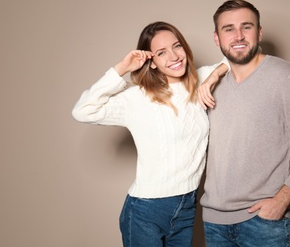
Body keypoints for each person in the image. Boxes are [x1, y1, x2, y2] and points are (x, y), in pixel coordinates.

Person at [72, 21, 228, 246]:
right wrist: (122, 68)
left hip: (187, 207)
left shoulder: (201, 80)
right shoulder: (138, 98)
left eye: (177, 46)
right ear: (151, 62)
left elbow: (246, 57)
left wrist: (216, 75)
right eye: (161, 53)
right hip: (146, 211)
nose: (174, 57)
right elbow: (82, 110)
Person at [197, 0, 290, 246]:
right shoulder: (210, 84)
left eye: (246, 27)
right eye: (228, 29)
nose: (238, 36)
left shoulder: (286, 77)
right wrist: (216, 73)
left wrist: (281, 201)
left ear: (259, 32)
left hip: (264, 223)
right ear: (217, 38)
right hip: (215, 222)